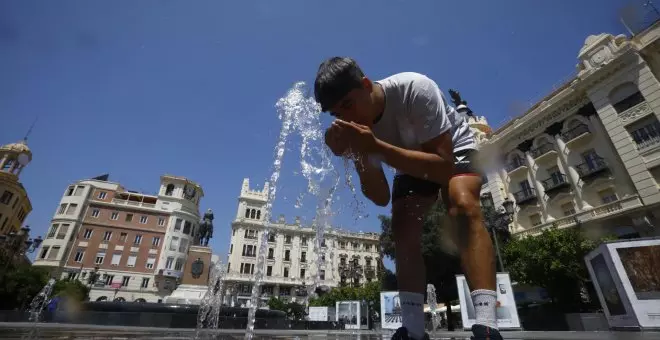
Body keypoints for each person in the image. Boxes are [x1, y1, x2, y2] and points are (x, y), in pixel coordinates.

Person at [315, 57, 502, 340]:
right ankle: (413, 330)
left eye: (348, 105)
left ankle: (487, 323)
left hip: (452, 150)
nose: (346, 118)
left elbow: (442, 166)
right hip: (409, 161)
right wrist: (359, 152)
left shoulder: (415, 87)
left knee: (461, 204)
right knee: (402, 228)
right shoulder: (356, 129)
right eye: (336, 113)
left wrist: (375, 145)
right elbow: (379, 197)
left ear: (366, 85)